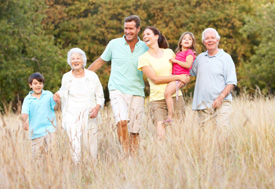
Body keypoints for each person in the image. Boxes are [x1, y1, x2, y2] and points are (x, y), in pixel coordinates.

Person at [88, 15, 148, 155]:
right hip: (117, 89)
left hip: (137, 90)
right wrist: (82, 75)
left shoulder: (145, 47)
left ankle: (133, 159)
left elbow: (159, 55)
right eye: (126, 28)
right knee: (122, 122)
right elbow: (100, 61)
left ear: (138, 29)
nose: (128, 31)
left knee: (135, 130)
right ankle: (125, 153)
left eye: (131, 28)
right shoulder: (114, 44)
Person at [53, 48, 104, 163]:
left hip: (89, 114)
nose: (75, 61)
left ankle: (91, 166)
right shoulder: (66, 76)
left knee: (90, 143)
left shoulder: (92, 76)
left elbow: (100, 96)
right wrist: (57, 95)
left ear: (83, 61)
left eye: (78, 58)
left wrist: (96, 108)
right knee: (74, 141)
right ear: (69, 62)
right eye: (72, 59)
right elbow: (63, 91)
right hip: (71, 113)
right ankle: (77, 166)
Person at [138, 26, 189, 139]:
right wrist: (178, 77)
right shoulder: (143, 58)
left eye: (148, 34)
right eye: (143, 36)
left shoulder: (169, 53)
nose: (145, 36)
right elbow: (155, 79)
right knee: (161, 135)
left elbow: (180, 70)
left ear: (156, 36)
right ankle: (160, 157)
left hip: (176, 97)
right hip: (157, 101)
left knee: (178, 135)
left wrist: (184, 79)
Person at [190, 28, 237, 128]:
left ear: (218, 40)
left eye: (212, 38)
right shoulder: (199, 58)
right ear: (203, 42)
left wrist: (220, 98)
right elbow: (189, 72)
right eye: (207, 38)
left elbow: (231, 82)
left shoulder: (226, 58)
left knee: (222, 132)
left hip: (222, 102)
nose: (210, 40)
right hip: (203, 105)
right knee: (207, 137)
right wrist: (186, 55)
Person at [21, 72, 57, 158]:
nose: (38, 85)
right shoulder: (28, 99)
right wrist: (24, 121)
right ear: (30, 85)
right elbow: (25, 113)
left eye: (40, 83)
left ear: (43, 85)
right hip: (36, 132)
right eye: (35, 83)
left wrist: (57, 101)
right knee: (37, 157)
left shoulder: (48, 94)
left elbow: (55, 107)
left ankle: (51, 170)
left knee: (52, 155)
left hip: (50, 130)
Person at [164, 32, 196, 122]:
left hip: (180, 77)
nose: (187, 40)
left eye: (189, 39)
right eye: (184, 38)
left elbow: (188, 65)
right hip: (175, 76)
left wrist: (176, 61)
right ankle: (171, 114)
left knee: (167, 93)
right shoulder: (178, 53)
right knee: (169, 94)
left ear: (192, 43)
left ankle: (170, 115)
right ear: (180, 42)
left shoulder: (189, 52)